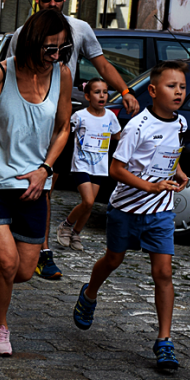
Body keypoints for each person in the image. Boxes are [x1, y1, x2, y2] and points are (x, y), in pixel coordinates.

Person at [0, 9, 73, 356]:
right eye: (51, 48)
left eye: (62, 49)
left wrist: (45, 169)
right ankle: (0, 326)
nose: (56, 56)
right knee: (6, 262)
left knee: (22, 271)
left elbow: (63, 128)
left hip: (33, 186)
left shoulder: (61, 75)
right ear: (32, 43)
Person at [7, 0, 140, 281]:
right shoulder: (22, 33)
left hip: (59, 116)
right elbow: (8, 73)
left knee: (46, 183)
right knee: (26, 180)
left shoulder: (79, 29)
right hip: (27, 115)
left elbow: (102, 64)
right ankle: (25, 240)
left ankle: (41, 251)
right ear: (37, 0)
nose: (52, 2)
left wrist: (125, 91)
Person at [74, 61, 189, 372]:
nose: (178, 92)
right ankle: (90, 293)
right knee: (113, 259)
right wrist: (150, 185)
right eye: (170, 86)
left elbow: (173, 151)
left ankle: (164, 341)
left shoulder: (181, 124)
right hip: (126, 209)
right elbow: (116, 169)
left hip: (161, 211)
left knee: (163, 273)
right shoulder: (138, 126)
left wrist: (179, 173)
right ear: (152, 91)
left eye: (181, 86)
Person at [56, 78, 121, 251]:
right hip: (81, 164)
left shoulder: (110, 117)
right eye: (97, 92)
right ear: (87, 96)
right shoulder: (80, 116)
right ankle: (66, 225)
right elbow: (65, 133)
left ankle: (76, 233)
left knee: (89, 205)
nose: (102, 96)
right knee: (88, 201)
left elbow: (117, 136)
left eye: (105, 92)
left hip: (100, 167)